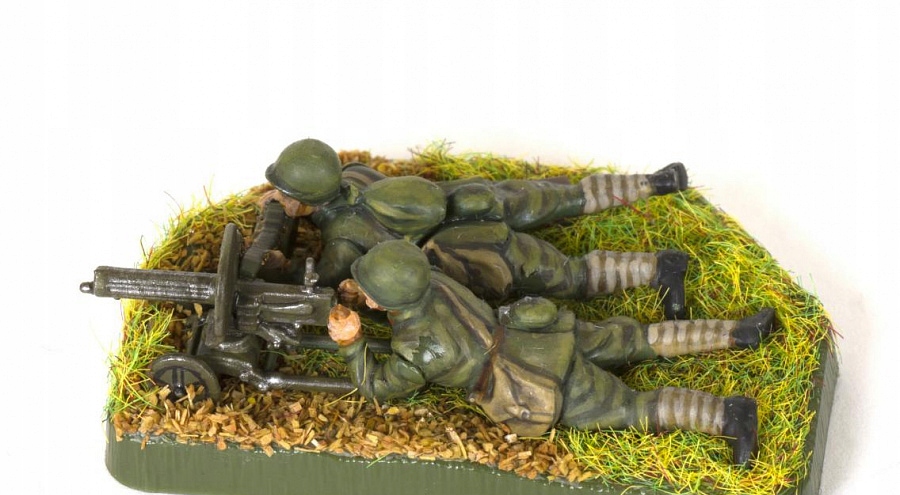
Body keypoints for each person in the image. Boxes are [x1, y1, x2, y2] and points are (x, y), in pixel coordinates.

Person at [326, 241, 776, 466]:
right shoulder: (433, 281)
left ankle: (727, 416)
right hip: (538, 331)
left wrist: (351, 343)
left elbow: (378, 386)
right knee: (634, 338)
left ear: (385, 300)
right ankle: (737, 332)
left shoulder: (418, 350)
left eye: (370, 290)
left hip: (532, 374)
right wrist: (364, 294)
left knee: (628, 407)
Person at [265, 138, 692, 319]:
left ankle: (659, 269)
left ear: (305, 199)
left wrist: (283, 268)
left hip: (471, 248)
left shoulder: (342, 240)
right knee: (564, 196)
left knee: (570, 275)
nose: (280, 198)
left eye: (285, 193)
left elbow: (321, 279)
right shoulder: (355, 174)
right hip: (471, 200)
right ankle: (656, 182)